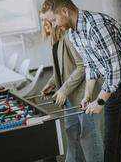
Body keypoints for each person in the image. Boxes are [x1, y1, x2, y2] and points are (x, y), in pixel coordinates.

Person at [41, 0, 121, 162]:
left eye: (53, 20)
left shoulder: (96, 25)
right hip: (112, 85)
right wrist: (88, 95)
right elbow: (90, 65)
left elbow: (115, 69)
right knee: (111, 141)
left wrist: (100, 101)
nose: (53, 25)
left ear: (65, 12)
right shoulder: (74, 33)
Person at [40, 19, 103, 162]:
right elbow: (63, 69)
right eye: (42, 20)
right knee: (73, 136)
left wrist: (63, 90)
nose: (44, 24)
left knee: (89, 138)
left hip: (84, 96)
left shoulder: (69, 36)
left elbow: (83, 67)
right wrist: (51, 83)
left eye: (47, 20)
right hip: (68, 97)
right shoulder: (55, 42)